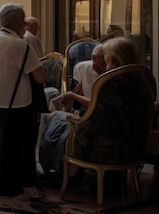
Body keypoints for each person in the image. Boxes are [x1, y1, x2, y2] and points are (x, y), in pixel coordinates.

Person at [0, 3, 48, 201]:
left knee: (7, 145)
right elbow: (41, 78)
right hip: (20, 102)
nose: (24, 23)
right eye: (22, 20)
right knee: (23, 145)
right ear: (15, 21)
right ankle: (18, 186)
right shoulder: (21, 45)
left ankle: (9, 187)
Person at [39, 37, 139, 180]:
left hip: (101, 137)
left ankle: (63, 173)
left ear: (116, 59)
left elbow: (96, 106)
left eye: (107, 56)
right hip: (131, 141)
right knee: (57, 119)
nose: (105, 60)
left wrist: (72, 97)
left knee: (54, 121)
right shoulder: (141, 78)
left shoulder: (111, 82)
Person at [50, 44, 106, 113]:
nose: (106, 60)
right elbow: (78, 89)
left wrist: (72, 95)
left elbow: (97, 104)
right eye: (103, 57)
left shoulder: (113, 73)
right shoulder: (81, 68)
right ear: (94, 59)